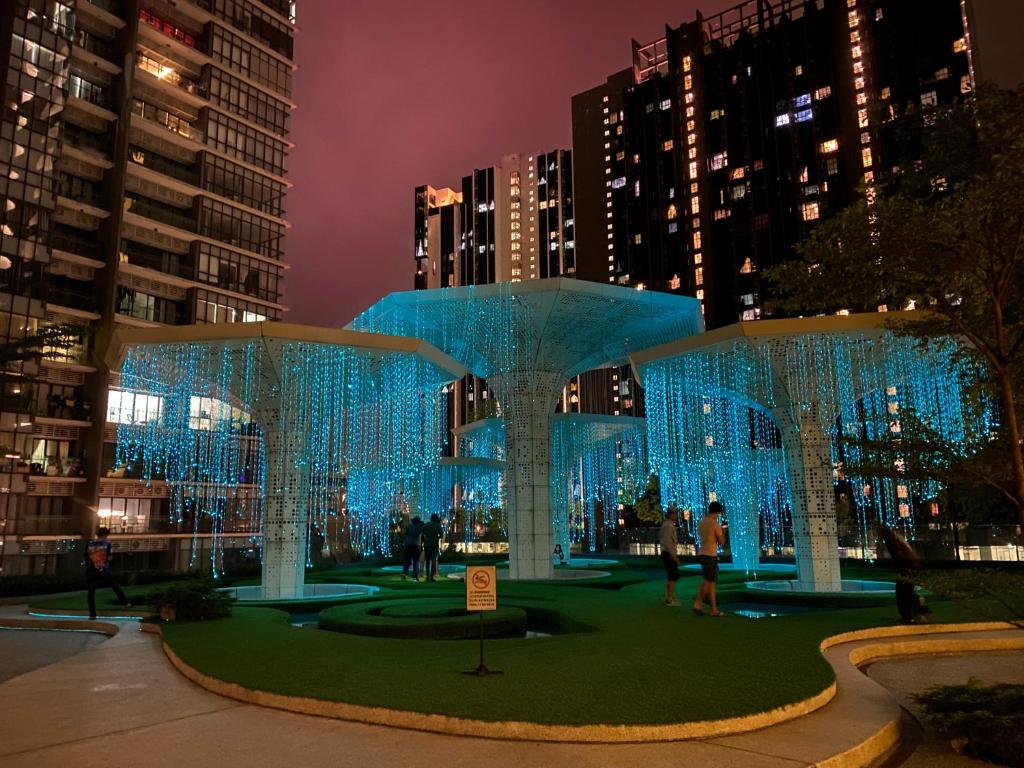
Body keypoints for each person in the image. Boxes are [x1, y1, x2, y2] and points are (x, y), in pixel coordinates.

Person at [879, 523, 931, 623]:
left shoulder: (891, 541)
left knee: (904, 593)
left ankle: (910, 616)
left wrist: (902, 573)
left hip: (908, 568)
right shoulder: (897, 538)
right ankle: (919, 614)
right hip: (912, 567)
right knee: (909, 592)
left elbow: (899, 556)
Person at [85, 527, 131, 620]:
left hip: (91, 571)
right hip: (103, 570)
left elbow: (87, 556)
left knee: (91, 593)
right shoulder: (107, 544)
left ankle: (92, 615)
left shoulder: (90, 544)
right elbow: (110, 558)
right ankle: (125, 602)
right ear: (105, 535)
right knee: (115, 586)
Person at [693, 502, 725, 616]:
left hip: (702, 553)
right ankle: (698, 603)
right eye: (719, 513)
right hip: (710, 555)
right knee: (708, 580)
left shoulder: (701, 522)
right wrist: (723, 531)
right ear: (717, 512)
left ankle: (713, 609)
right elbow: (722, 542)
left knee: (711, 582)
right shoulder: (714, 524)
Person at [659, 505, 681, 606]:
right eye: (674, 513)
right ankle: (669, 598)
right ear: (670, 514)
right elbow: (668, 542)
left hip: (667, 552)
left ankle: (670, 595)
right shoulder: (668, 526)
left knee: (673, 575)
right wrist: (673, 555)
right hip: (668, 553)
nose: (676, 515)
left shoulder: (668, 524)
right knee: (672, 576)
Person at [421, 513, 444, 581]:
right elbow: (441, 535)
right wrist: (437, 537)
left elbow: (422, 535)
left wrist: (422, 543)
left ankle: (427, 575)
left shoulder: (426, 525)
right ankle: (432, 576)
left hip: (427, 544)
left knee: (427, 561)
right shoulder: (438, 525)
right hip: (434, 544)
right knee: (433, 560)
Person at [401, 516, 424, 580]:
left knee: (406, 560)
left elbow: (405, 534)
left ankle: (404, 573)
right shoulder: (419, 527)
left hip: (407, 544)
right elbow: (421, 535)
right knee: (415, 560)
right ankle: (415, 574)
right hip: (415, 545)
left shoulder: (409, 526)